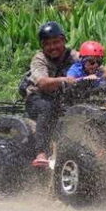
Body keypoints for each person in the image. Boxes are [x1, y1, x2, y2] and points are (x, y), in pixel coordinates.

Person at [25, 21, 81, 167]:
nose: (52, 47)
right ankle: (41, 152)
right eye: (47, 44)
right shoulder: (39, 59)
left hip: (62, 98)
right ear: (42, 46)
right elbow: (43, 83)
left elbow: (95, 64)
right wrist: (64, 80)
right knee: (47, 107)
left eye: (56, 42)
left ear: (63, 40)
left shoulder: (73, 55)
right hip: (37, 98)